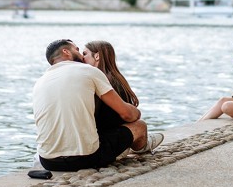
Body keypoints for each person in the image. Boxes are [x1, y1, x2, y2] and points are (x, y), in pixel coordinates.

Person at [33, 39, 163, 172]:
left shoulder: (40, 82)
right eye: (77, 49)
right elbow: (127, 115)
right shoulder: (88, 71)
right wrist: (136, 112)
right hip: (84, 158)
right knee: (139, 126)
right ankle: (143, 146)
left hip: (47, 161)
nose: (80, 54)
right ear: (66, 51)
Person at [82, 40, 140, 131]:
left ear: (97, 56)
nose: (82, 58)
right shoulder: (118, 79)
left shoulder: (101, 81)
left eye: (84, 54)